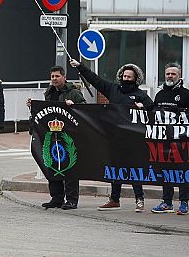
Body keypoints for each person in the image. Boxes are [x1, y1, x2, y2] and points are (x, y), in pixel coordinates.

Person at [70, 58, 153, 212]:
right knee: (116, 168)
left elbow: (153, 109)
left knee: (135, 169)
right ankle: (114, 199)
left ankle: (139, 199)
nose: (125, 79)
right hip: (115, 137)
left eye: (129, 77)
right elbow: (95, 80)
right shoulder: (113, 89)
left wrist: (144, 107)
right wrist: (81, 67)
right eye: (124, 76)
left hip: (133, 139)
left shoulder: (140, 95)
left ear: (136, 79)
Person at [27, 66, 86, 210]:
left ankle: (72, 199)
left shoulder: (74, 93)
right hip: (52, 137)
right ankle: (56, 198)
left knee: (70, 168)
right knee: (53, 167)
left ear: (64, 77)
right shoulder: (49, 93)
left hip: (69, 137)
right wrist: (32, 107)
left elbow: (85, 110)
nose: (54, 79)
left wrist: (74, 106)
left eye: (57, 76)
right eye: (52, 76)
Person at [150, 63, 189, 215]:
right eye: (167, 74)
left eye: (173, 74)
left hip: (181, 141)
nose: (170, 76)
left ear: (179, 76)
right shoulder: (159, 94)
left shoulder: (186, 94)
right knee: (166, 171)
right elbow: (153, 114)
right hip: (163, 140)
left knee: (182, 171)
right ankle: (167, 202)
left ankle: (184, 203)